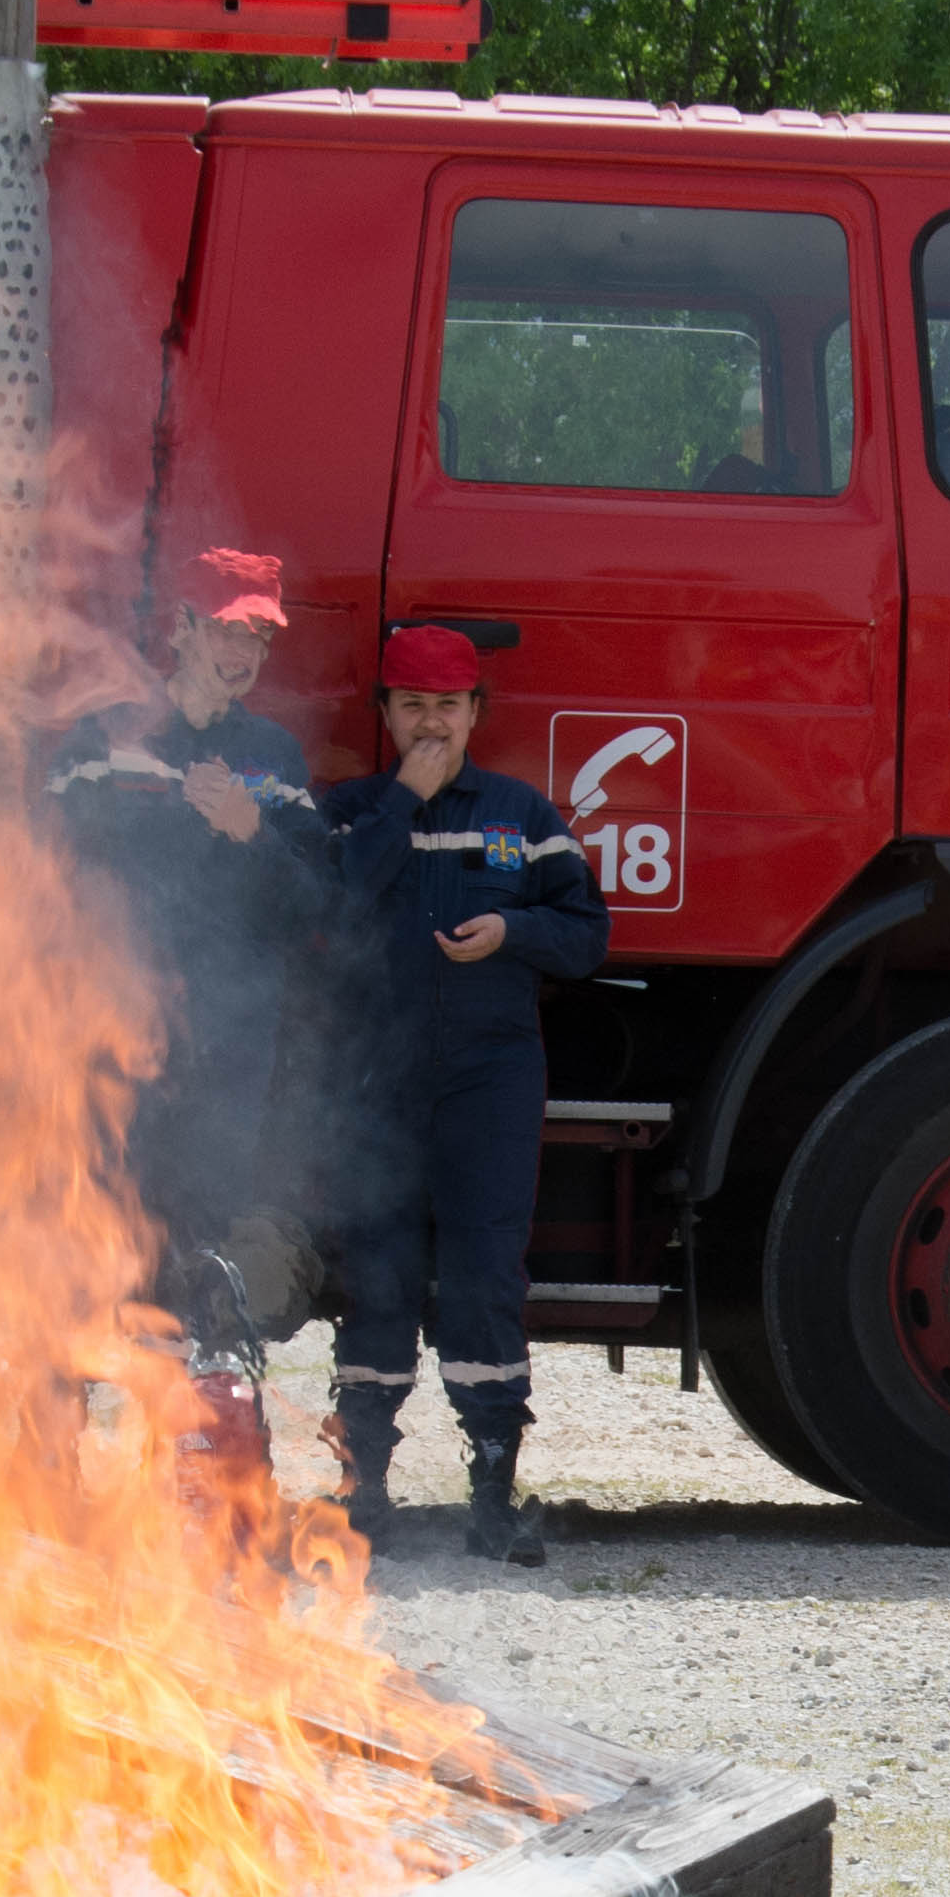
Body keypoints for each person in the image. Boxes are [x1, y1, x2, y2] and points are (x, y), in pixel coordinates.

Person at [314, 620, 601, 1560]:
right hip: (376, 1083)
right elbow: (327, 908)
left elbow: (586, 935)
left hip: (489, 1084)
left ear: (476, 712)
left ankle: (491, 1495)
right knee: (379, 1277)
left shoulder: (522, 814)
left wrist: (513, 934)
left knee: (484, 1276)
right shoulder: (355, 809)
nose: (430, 723)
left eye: (448, 705)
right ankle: (365, 1493)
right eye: (412, 706)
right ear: (386, 714)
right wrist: (404, 802)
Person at [46, 548, 332, 1370]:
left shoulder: (274, 760)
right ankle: (54, 1456)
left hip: (229, 1048)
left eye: (260, 636)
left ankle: (185, 1459)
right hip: (112, 1035)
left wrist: (253, 834)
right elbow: (43, 871)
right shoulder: (103, 742)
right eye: (227, 628)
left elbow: (316, 906)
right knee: (91, 1234)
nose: (245, 652)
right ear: (180, 628)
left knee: (201, 1248)